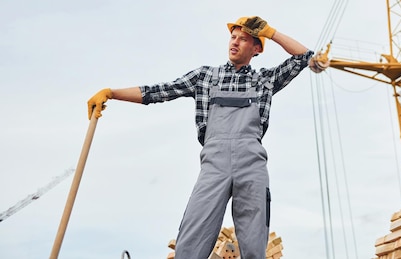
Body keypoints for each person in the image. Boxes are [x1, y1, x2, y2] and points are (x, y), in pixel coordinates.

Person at [87, 16, 329, 259]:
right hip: (214, 164)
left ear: (257, 49)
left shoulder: (264, 80)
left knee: (255, 243)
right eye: (233, 37)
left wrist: (271, 32)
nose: (234, 42)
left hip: (252, 163)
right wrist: (112, 92)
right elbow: (158, 92)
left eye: (243, 39)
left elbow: (304, 58)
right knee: (192, 240)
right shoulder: (204, 77)